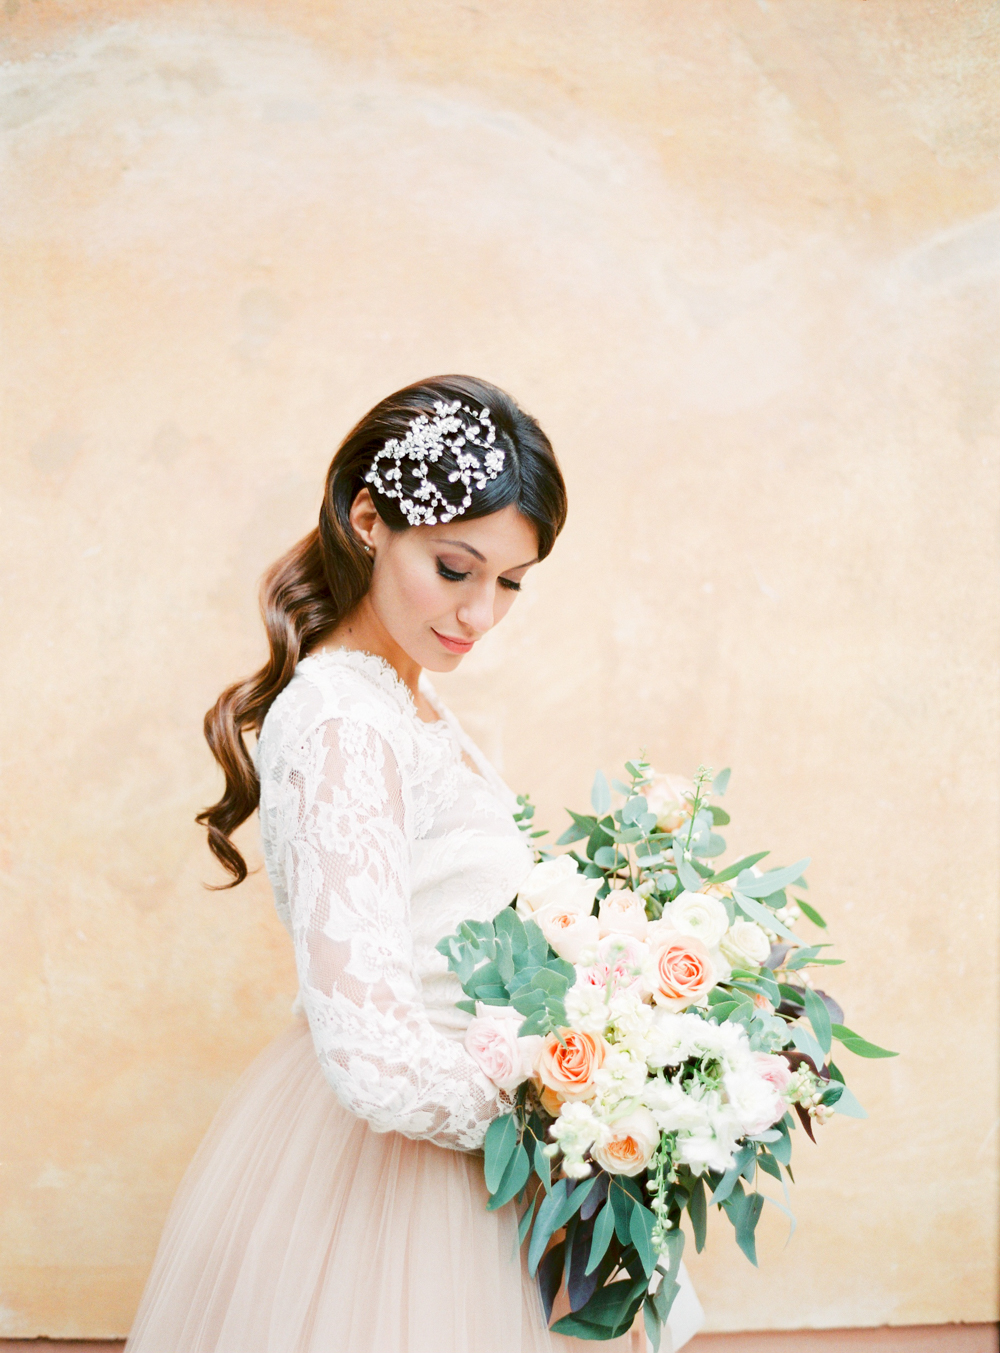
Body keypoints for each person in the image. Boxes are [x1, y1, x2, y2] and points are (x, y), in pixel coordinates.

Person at [124, 375, 703, 1353]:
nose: (480, 614)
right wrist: (573, 1095)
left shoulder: (403, 702)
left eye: (510, 583)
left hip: (464, 1156)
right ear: (367, 520)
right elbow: (375, 1061)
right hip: (390, 1180)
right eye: (455, 567)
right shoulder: (345, 720)